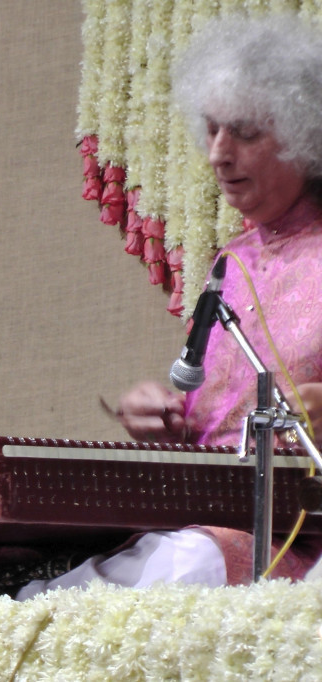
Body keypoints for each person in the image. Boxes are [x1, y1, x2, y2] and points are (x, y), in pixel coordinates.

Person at [23, 13, 322, 596]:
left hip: (296, 539)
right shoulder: (228, 265)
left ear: (304, 136)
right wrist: (163, 418)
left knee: (182, 570)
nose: (218, 154)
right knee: (51, 588)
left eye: (244, 133)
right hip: (208, 520)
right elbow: (211, 426)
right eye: (211, 130)